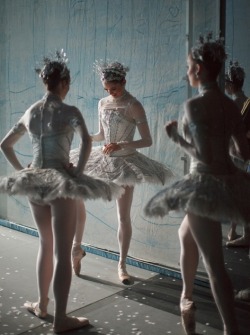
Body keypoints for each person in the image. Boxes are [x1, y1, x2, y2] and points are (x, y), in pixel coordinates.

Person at [0, 51, 122, 333]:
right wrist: (77, 171)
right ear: (64, 82)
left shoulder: (32, 111)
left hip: (36, 181)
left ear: (45, 82)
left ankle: (43, 304)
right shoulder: (70, 112)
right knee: (62, 250)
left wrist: (22, 170)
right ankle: (60, 319)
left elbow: (5, 144)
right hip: (60, 182)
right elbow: (87, 142)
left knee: (45, 244)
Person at [144, 33, 250, 335]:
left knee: (215, 265)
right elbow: (243, 152)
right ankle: (186, 298)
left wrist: (177, 139)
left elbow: (200, 154)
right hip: (228, 178)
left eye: (189, 67)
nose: (187, 72)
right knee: (185, 234)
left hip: (204, 183)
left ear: (200, 69)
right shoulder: (232, 107)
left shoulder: (193, 106)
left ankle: (231, 329)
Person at [70, 60, 174, 284]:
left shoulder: (133, 104)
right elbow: (100, 135)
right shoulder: (102, 103)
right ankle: (76, 248)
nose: (111, 92)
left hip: (125, 163)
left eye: (114, 88)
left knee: (122, 216)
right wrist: (86, 136)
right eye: (107, 89)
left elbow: (147, 140)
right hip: (103, 158)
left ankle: (122, 265)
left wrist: (121, 144)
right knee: (76, 193)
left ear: (124, 82)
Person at [224, 61, 250, 247]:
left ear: (231, 84)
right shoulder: (246, 101)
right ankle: (233, 231)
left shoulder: (233, 103)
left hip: (235, 155)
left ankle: (238, 233)